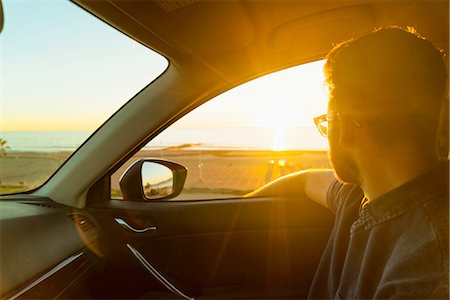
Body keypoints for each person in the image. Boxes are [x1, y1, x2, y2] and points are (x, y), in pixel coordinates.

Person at [249, 27, 449, 299]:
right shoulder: (359, 195)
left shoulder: (426, 280)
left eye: (327, 121)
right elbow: (306, 180)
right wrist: (249, 201)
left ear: (344, 127)